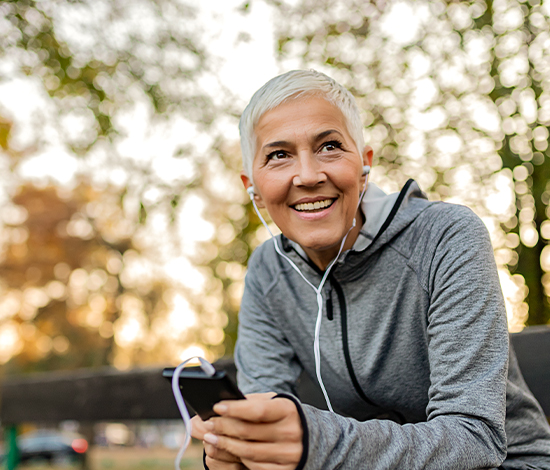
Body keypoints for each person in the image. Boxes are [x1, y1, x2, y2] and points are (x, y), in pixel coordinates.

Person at [191, 70, 550, 469]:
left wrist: (318, 442)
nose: (308, 176)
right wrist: (239, 451)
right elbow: (263, 406)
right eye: (278, 155)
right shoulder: (267, 271)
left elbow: (475, 439)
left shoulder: (447, 237)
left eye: (329, 146)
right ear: (252, 185)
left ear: (364, 168)